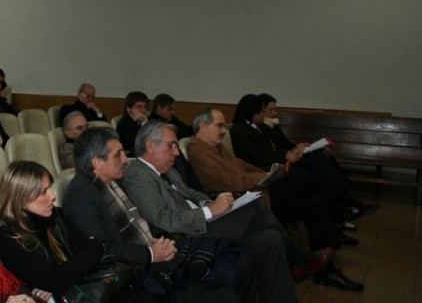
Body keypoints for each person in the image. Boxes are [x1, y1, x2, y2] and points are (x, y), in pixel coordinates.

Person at [123, 120, 304, 303]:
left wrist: (209, 202)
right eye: (171, 146)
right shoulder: (138, 174)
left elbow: (190, 193)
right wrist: (209, 212)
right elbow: (163, 219)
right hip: (187, 237)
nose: (177, 153)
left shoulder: (166, 171)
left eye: (176, 146)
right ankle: (297, 257)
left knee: (269, 239)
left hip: (206, 224)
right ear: (150, 146)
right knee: (255, 207)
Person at [62, 127, 251, 303]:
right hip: (134, 274)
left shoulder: (111, 182)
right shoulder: (81, 196)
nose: (125, 159)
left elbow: (140, 223)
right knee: (220, 293)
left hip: (152, 253)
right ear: (97, 162)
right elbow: (101, 252)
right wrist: (150, 253)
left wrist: (160, 242)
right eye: (117, 154)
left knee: (237, 260)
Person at [187, 107, 364, 291]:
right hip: (249, 199)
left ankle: (327, 272)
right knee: (301, 176)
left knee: (316, 204)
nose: (224, 130)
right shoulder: (197, 150)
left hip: (258, 190)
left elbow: (242, 165)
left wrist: (267, 173)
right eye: (220, 126)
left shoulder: (216, 146)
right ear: (203, 125)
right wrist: (263, 178)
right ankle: (338, 210)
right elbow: (228, 182)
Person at [0, 161, 107, 301]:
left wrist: (62, 277)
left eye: (49, 188)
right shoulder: (9, 240)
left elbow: (96, 249)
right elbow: (57, 281)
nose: (53, 195)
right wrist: (89, 252)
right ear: (21, 200)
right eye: (43, 192)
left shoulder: (56, 216)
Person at [257, 93, 377, 222]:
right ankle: (343, 203)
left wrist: (298, 146)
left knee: (322, 155)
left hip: (291, 156)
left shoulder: (272, 125)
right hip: (284, 162)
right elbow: (272, 151)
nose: (274, 113)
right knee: (315, 162)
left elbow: (285, 144)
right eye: (270, 110)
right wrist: (294, 151)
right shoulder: (261, 128)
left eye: (275, 109)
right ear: (261, 112)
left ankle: (345, 200)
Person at [116, 91, 149, 157]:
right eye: (139, 106)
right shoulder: (124, 125)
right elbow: (140, 146)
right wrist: (145, 122)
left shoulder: (140, 121)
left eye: (145, 106)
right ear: (129, 109)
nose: (143, 110)